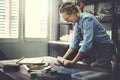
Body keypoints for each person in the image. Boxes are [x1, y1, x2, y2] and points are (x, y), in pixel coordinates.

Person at [57, 2, 117, 70]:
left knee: (99, 69)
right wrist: (63, 58)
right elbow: (74, 44)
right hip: (95, 49)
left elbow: (87, 43)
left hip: (105, 48)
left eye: (67, 18)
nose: (67, 21)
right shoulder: (77, 24)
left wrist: (73, 62)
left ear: (73, 13)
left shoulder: (87, 18)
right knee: (89, 65)